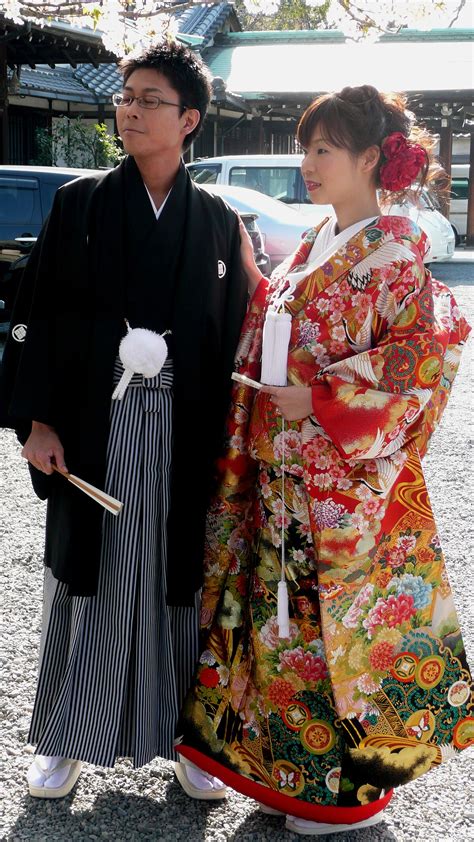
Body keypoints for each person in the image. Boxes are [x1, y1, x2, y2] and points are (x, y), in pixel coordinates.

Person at [176, 85, 473, 835]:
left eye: (323, 149)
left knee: (335, 634)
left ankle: (347, 797)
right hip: (285, 474)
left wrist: (324, 397)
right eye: (305, 148)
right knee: (284, 629)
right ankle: (291, 778)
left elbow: (424, 357)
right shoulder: (318, 241)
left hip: (344, 486)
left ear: (371, 158)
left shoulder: (396, 251)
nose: (306, 163)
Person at [0, 41, 248, 799]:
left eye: (149, 100)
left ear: (189, 120)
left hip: (183, 427)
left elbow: (238, 329)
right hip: (92, 423)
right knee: (88, 576)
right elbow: (33, 316)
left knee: (179, 581)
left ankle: (186, 740)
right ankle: (66, 737)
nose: (130, 111)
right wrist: (36, 422)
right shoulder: (79, 205)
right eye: (125, 97)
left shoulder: (216, 220)